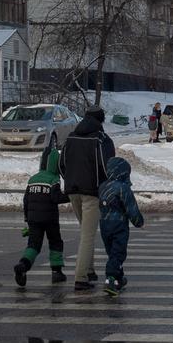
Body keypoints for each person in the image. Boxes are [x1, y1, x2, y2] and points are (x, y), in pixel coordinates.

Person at [58, 107, 115, 291]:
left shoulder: (71, 138)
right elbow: (108, 168)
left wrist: (69, 180)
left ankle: (89, 270)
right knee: (88, 235)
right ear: (101, 120)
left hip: (73, 190)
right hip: (92, 191)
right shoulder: (101, 140)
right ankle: (81, 277)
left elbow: (62, 164)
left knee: (85, 232)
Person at [14, 147, 68, 287]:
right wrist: (70, 195)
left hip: (33, 219)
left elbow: (26, 201)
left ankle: (23, 266)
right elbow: (56, 198)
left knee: (34, 245)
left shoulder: (33, 179)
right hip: (50, 219)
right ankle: (57, 272)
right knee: (55, 242)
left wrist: (27, 219)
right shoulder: (53, 179)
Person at [97, 156, 144, 296]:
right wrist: (138, 222)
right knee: (118, 253)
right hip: (119, 225)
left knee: (112, 252)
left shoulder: (102, 186)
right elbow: (131, 208)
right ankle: (110, 279)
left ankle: (118, 278)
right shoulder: (123, 188)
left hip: (104, 224)